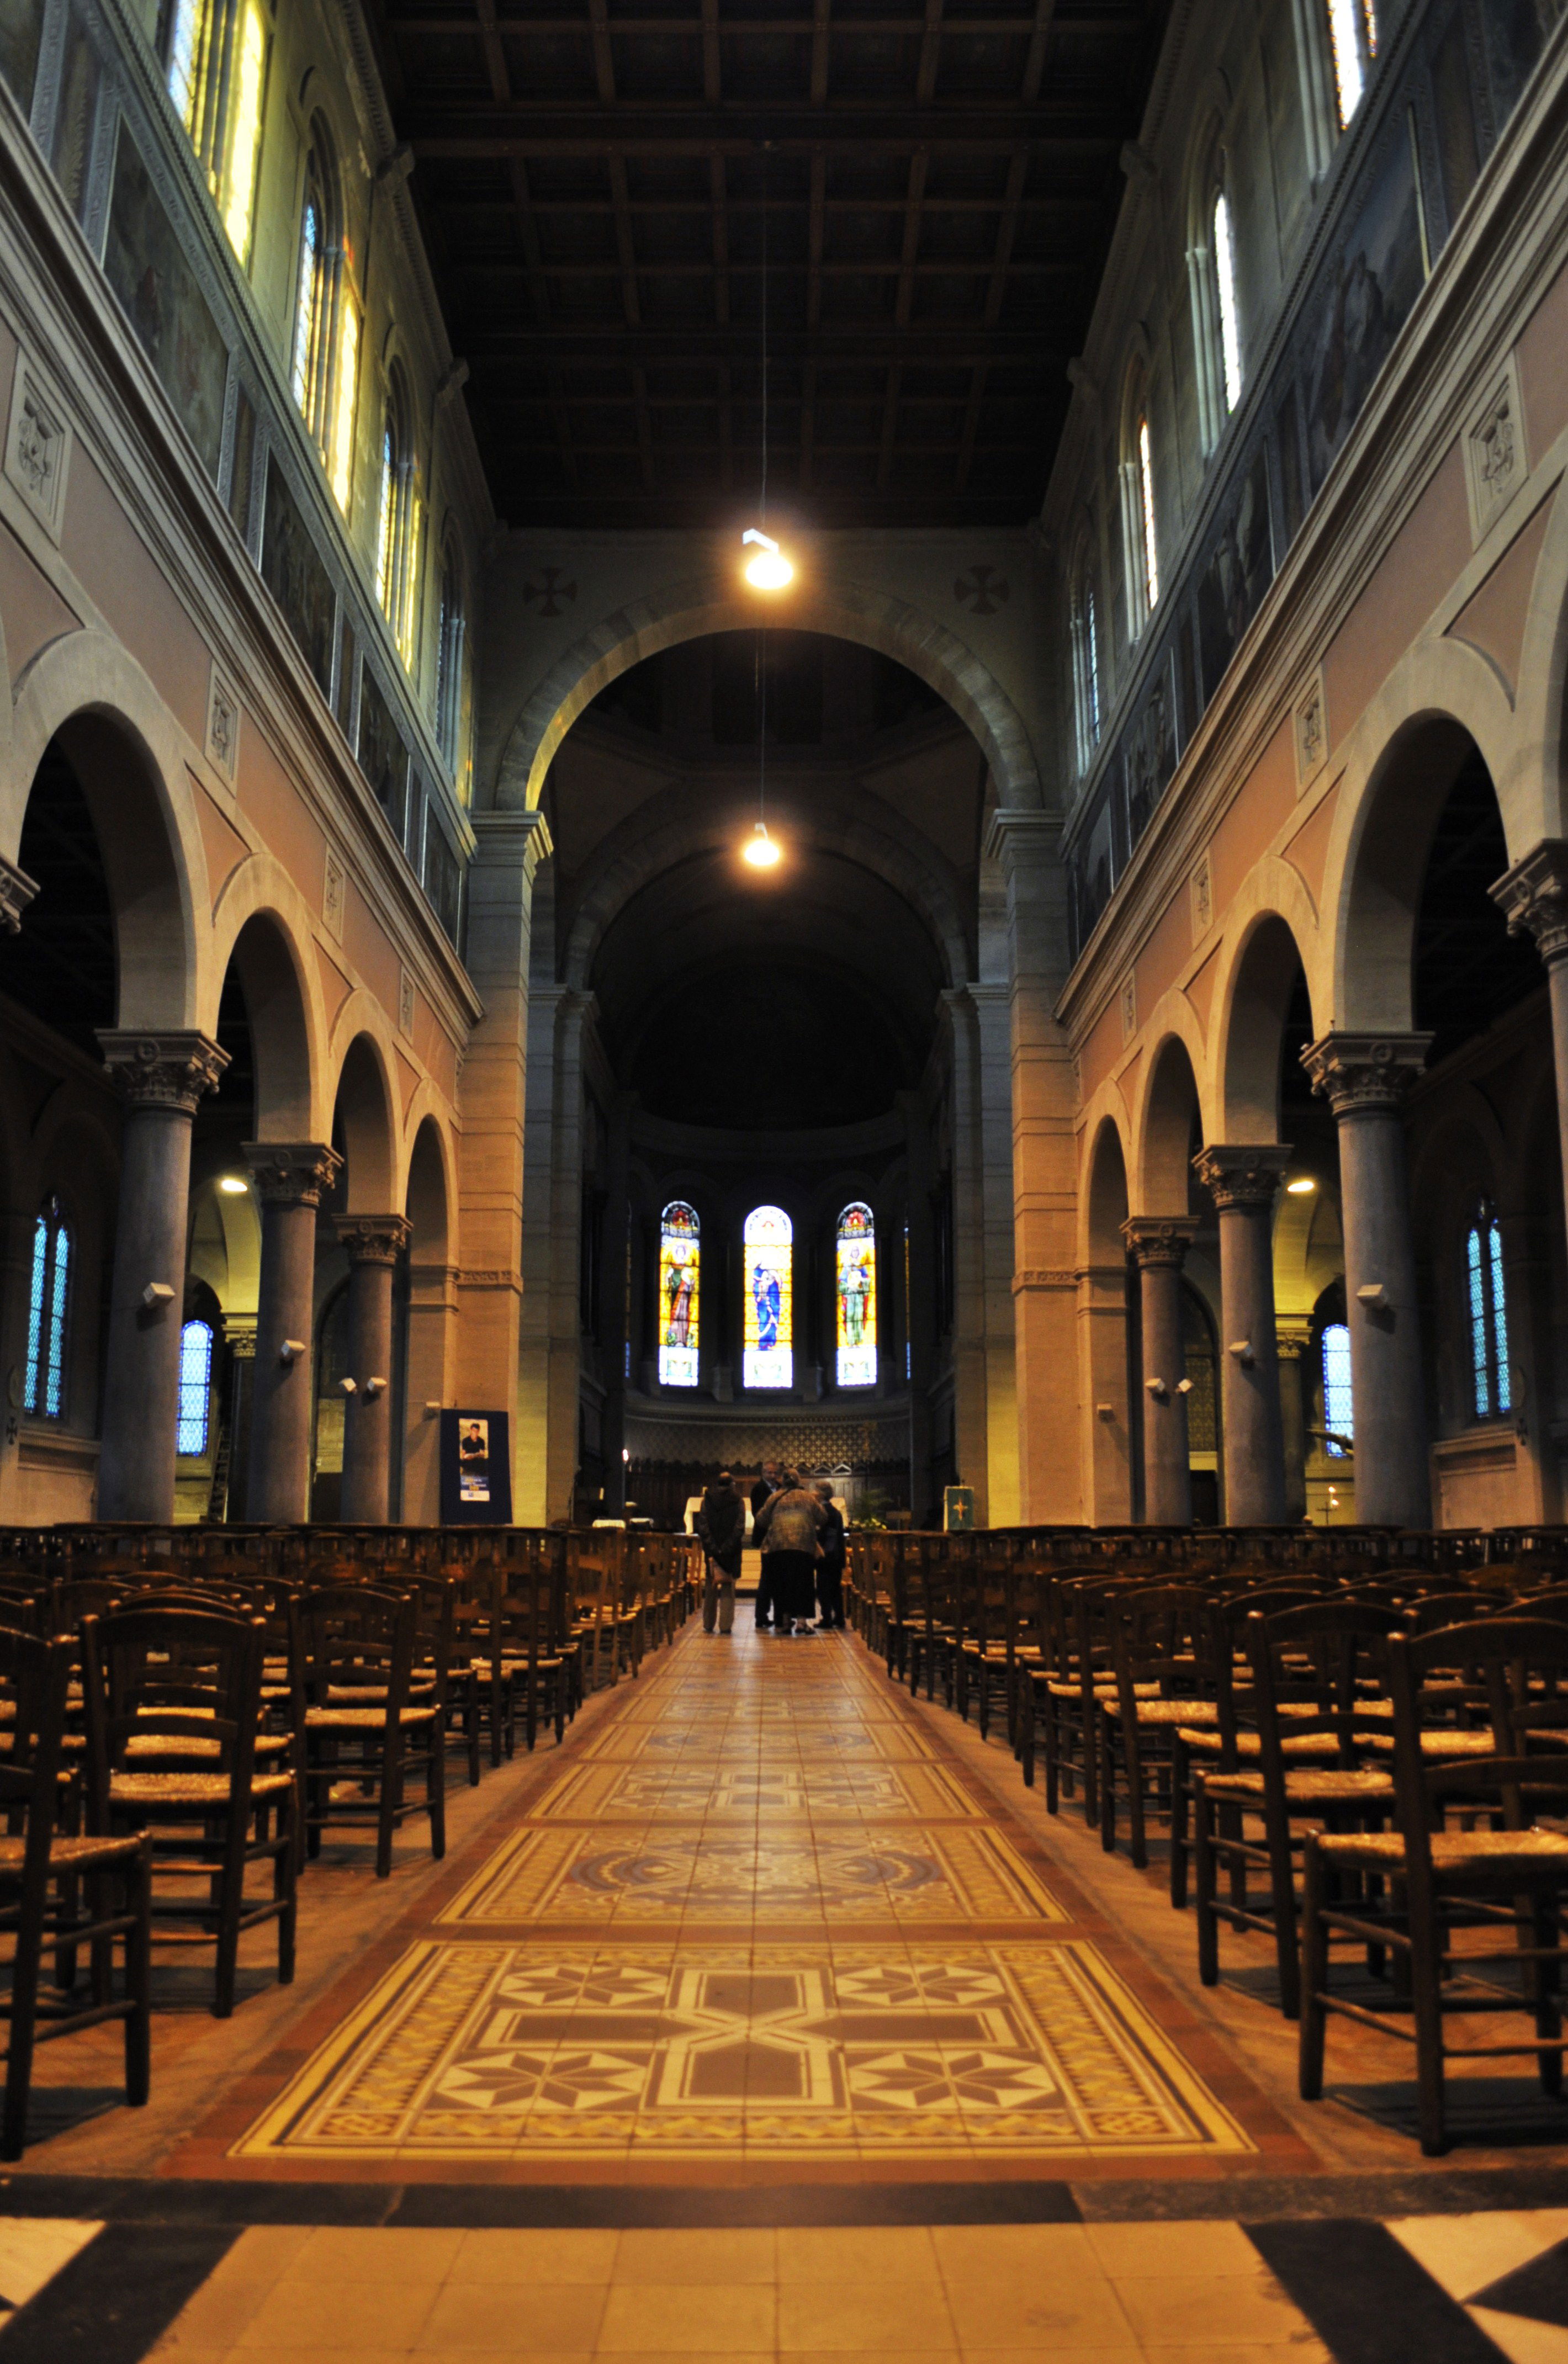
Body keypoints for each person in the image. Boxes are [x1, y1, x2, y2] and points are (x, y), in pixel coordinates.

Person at [751, 1470, 826, 1636]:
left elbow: (761, 1520)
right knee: (804, 1585)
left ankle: (784, 1623)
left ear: (783, 1481)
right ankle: (801, 1623)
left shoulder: (774, 1497)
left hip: (779, 1547)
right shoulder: (808, 1497)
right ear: (798, 1481)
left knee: (782, 1586)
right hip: (804, 1546)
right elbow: (823, 1517)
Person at [696, 1470, 744, 1636]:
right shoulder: (738, 1500)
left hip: (712, 1551)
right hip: (731, 1553)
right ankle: (725, 1625)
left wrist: (714, 1548)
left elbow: (703, 1526)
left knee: (711, 1586)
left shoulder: (707, 1500)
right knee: (728, 1588)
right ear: (732, 1484)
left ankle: (708, 1624)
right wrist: (727, 1548)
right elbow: (739, 1527)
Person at [750, 1460, 783, 1631]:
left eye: (774, 1473)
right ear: (763, 1473)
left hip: (781, 1538)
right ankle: (761, 1616)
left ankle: (778, 1617)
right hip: (766, 1537)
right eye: (769, 1473)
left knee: (777, 1578)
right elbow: (757, 1513)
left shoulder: (781, 1487)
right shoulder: (758, 1489)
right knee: (767, 1578)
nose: (772, 1476)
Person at [812, 1480, 846, 1630]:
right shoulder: (836, 1512)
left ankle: (827, 1618)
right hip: (837, 1557)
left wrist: (822, 1553)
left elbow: (826, 1535)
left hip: (826, 1556)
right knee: (835, 1589)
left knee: (823, 1589)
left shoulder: (822, 1513)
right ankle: (839, 1618)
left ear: (819, 1494)